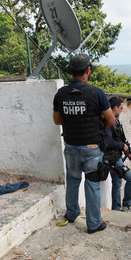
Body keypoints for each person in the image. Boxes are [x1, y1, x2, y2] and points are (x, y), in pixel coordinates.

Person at [53, 54, 115, 234]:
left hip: (71, 146)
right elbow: (110, 120)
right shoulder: (97, 93)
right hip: (91, 148)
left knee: (73, 180)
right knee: (92, 183)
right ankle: (93, 224)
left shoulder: (61, 93)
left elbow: (57, 121)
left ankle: (72, 214)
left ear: (71, 72)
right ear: (88, 71)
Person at [104, 96, 131, 212]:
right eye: (121, 108)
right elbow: (108, 142)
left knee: (117, 185)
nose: (122, 110)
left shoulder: (115, 120)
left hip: (116, 156)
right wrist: (122, 146)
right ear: (115, 108)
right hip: (112, 158)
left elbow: (118, 138)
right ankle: (127, 205)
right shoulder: (108, 121)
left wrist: (126, 149)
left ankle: (116, 210)